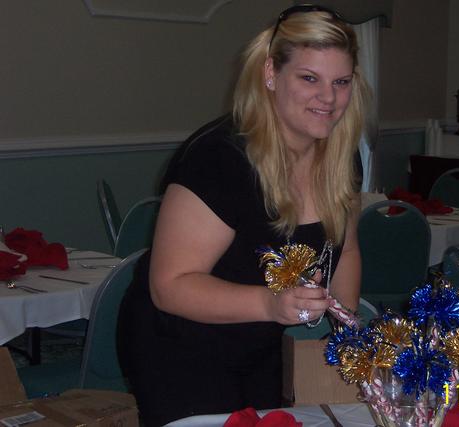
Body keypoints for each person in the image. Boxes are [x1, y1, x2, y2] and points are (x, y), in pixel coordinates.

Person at [118, 5, 370, 426]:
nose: (328, 98)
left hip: (262, 341)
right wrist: (270, 305)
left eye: (341, 82)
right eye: (309, 78)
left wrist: (348, 337)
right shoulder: (220, 158)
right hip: (179, 344)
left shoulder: (341, 157)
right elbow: (170, 286)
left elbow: (344, 251)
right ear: (271, 73)